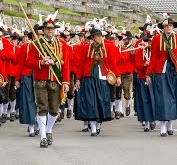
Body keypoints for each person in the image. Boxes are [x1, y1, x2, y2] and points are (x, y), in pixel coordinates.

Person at [27, 11, 70, 148]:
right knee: (42, 108)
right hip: (40, 80)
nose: (50, 31)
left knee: (54, 110)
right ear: (43, 30)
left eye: (52, 29)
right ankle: (43, 136)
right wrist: (41, 62)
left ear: (54, 30)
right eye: (47, 29)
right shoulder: (36, 44)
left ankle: (49, 130)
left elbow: (66, 64)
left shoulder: (62, 45)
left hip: (55, 80)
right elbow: (29, 61)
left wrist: (66, 82)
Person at [146, 17, 177, 137]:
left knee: (173, 98)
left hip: (175, 72)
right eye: (166, 26)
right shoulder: (156, 39)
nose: (168, 27)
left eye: (170, 25)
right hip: (161, 72)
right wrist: (148, 73)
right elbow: (153, 58)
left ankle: (170, 124)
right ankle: (162, 126)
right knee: (163, 99)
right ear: (163, 27)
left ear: (173, 27)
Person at [75, 27, 121, 136]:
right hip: (89, 77)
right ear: (93, 37)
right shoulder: (86, 48)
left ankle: (98, 123)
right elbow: (81, 64)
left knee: (102, 100)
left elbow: (113, 63)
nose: (100, 38)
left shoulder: (108, 47)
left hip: (102, 77)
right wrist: (78, 79)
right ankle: (93, 127)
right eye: (98, 36)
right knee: (91, 101)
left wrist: (118, 76)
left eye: (101, 36)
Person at [135, 35, 156, 131]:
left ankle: (153, 119)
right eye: (148, 41)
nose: (150, 44)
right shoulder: (140, 51)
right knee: (144, 100)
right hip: (142, 77)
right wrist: (145, 65)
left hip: (154, 78)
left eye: (151, 42)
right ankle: (146, 122)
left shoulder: (156, 52)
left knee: (154, 99)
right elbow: (137, 65)